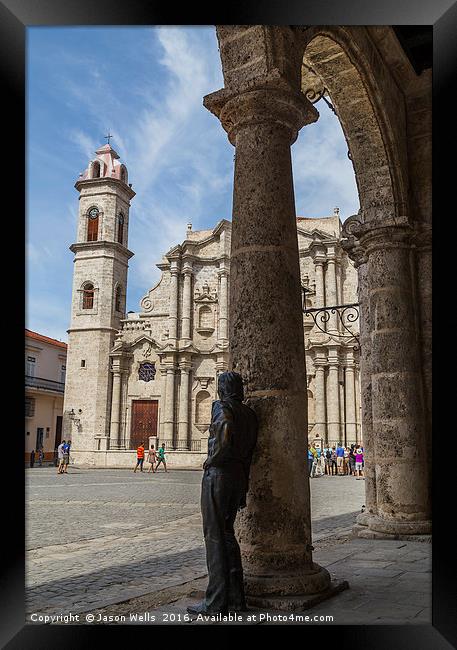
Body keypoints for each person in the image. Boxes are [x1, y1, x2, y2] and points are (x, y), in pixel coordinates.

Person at [187, 370, 258, 617]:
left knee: (214, 537)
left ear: (222, 389)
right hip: (238, 476)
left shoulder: (222, 406)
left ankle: (215, 602)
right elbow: (249, 452)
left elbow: (225, 427)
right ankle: (236, 599)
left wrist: (212, 459)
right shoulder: (250, 414)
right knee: (228, 536)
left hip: (218, 475)